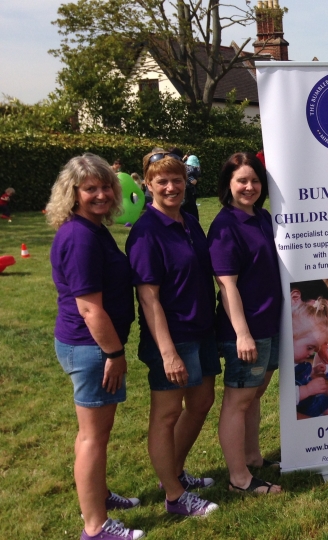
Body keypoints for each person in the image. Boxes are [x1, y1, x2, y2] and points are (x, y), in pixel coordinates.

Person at [47, 154, 144, 540]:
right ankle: (95, 526)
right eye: (91, 188)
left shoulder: (92, 228)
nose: (101, 194)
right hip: (92, 348)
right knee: (93, 436)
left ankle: (98, 496)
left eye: (106, 186)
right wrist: (115, 354)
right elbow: (89, 308)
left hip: (91, 346)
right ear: (74, 193)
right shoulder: (79, 237)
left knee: (93, 433)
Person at [126, 150, 219, 518]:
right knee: (166, 415)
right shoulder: (146, 233)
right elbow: (148, 299)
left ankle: (174, 474)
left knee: (201, 403)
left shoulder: (189, 222)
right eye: (161, 181)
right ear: (147, 186)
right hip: (172, 337)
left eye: (176, 179)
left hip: (203, 329)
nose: (170, 187)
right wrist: (167, 353)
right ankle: (175, 497)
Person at [207, 152, 282, 495]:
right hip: (247, 329)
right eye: (241, 181)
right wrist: (242, 334)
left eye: (254, 181)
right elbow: (227, 285)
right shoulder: (225, 226)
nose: (249, 187)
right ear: (228, 185)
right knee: (238, 400)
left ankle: (252, 457)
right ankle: (239, 478)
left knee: (254, 395)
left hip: (272, 323)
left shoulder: (263, 217)